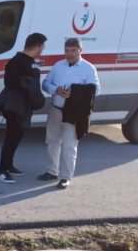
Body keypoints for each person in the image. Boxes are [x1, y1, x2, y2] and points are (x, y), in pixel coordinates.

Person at [39, 37, 100, 189]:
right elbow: (45, 83)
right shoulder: (58, 65)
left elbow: (96, 90)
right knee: (52, 141)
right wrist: (55, 90)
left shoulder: (88, 68)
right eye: (67, 50)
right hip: (56, 109)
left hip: (74, 113)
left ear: (80, 50)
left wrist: (75, 92)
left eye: (73, 50)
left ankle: (65, 177)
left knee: (69, 145)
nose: (70, 54)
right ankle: (52, 171)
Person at [0, 32, 46, 184]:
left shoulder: (29, 61)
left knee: (17, 137)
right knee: (11, 138)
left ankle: (9, 165)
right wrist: (28, 86)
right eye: (42, 46)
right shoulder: (18, 61)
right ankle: (2, 170)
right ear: (37, 46)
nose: (43, 49)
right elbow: (10, 81)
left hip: (23, 107)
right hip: (14, 107)